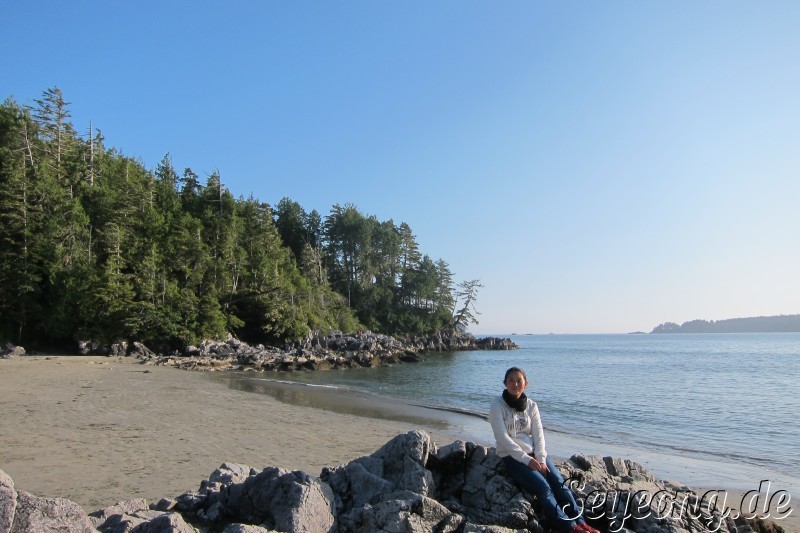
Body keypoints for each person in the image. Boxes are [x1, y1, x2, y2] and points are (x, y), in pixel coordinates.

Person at [490, 366, 599, 533]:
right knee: (544, 488)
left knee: (559, 483)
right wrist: (527, 460)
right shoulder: (497, 405)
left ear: (526, 384)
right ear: (505, 383)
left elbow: (538, 435)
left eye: (519, 380)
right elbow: (502, 439)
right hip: (512, 456)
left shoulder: (532, 406)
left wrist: (540, 459)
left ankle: (581, 522)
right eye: (511, 380)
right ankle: (570, 528)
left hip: (535, 453)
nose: (515, 384)